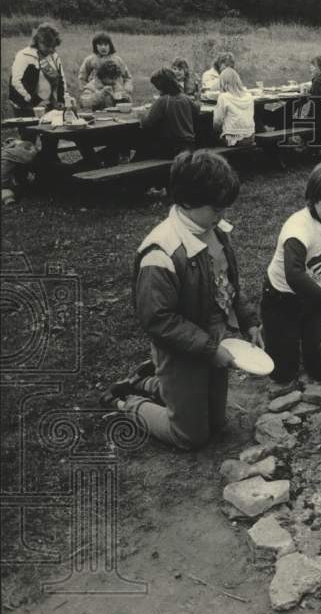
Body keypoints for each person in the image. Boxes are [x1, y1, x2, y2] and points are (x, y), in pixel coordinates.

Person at [103, 150, 261, 451]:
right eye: (216, 208)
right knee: (191, 435)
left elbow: (230, 287)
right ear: (187, 201)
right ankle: (128, 401)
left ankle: (149, 383)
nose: (222, 215)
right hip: (180, 351)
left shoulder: (214, 231)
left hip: (213, 343)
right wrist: (207, 348)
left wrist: (249, 322)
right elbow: (157, 319)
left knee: (216, 423)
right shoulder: (161, 252)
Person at [261, 161, 321, 394]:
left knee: (320, 370)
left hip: (319, 296)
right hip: (283, 298)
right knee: (282, 372)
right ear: (312, 198)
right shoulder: (298, 228)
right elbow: (294, 275)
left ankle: (306, 336)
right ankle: (273, 331)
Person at [137, 67, 201, 159]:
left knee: (142, 147)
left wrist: (141, 116)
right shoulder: (185, 98)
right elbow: (197, 111)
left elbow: (147, 123)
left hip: (172, 149)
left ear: (161, 87)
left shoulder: (162, 101)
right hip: (189, 146)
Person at [8, 22, 67, 116]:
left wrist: (61, 100)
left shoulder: (54, 57)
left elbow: (61, 80)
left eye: (54, 46)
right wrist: (34, 102)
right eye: (48, 46)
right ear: (38, 42)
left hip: (50, 106)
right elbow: (15, 82)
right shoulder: (24, 56)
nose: (51, 50)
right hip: (27, 107)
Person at [213, 68, 255, 146]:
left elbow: (217, 121)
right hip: (250, 136)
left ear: (222, 82)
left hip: (233, 139)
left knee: (208, 138)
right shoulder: (249, 96)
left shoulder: (223, 97)